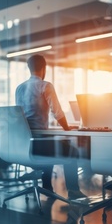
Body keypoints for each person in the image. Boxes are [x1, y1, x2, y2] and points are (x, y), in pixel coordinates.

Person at [15, 54, 86, 200]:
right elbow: (57, 112)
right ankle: (73, 191)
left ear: (29, 68)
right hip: (39, 144)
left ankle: (47, 187)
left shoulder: (19, 88)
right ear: (44, 68)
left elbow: (19, 116)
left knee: (50, 143)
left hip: (23, 144)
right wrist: (67, 128)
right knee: (70, 150)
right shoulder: (45, 86)